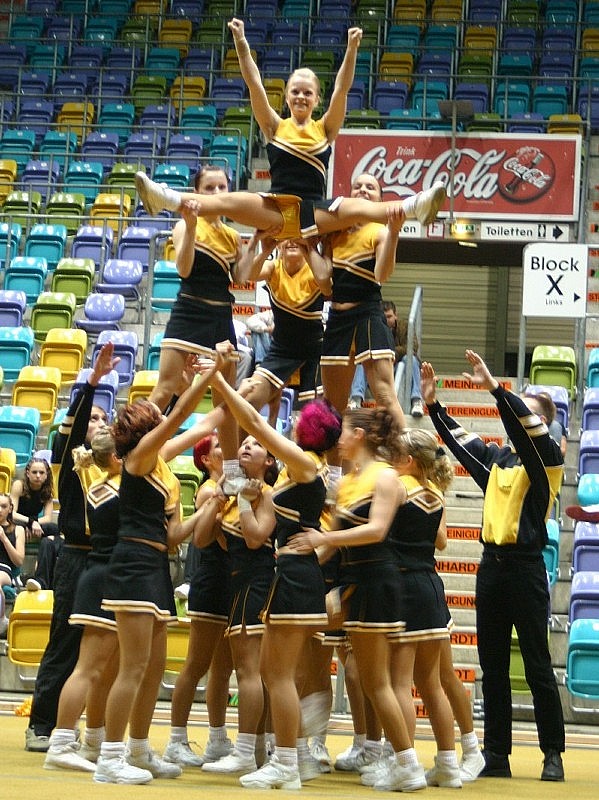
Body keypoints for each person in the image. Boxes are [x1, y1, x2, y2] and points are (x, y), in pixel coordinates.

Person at [134, 21, 446, 236]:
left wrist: (352, 48)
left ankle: (415, 205)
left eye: (308, 92)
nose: (300, 96)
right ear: (286, 96)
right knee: (230, 200)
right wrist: (241, 42)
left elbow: (342, 89)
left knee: (358, 207)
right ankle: (165, 198)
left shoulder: (326, 129)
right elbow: (254, 83)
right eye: (295, 91)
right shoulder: (274, 125)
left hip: (315, 211)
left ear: (316, 99)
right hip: (276, 210)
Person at [421, 350, 565, 782]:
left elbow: (525, 430)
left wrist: (496, 391)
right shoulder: (497, 460)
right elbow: (460, 441)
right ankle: (497, 753)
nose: (519, 418)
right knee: (493, 667)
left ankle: (552, 753)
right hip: (492, 569)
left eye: (528, 412)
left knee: (538, 666)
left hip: (526, 569)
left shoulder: (548, 462)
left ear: (543, 424)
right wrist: (433, 405)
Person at [207, 351, 342, 789]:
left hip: (296, 575)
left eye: (302, 418)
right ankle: (292, 755)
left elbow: (255, 423)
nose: (295, 419)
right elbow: (258, 529)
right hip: (287, 572)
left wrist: (222, 384)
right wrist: (248, 497)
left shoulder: (304, 466)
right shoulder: (288, 474)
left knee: (279, 676)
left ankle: (286, 762)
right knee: (274, 673)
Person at [93, 353, 227, 784]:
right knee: (133, 667)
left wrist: (231, 382)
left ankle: (138, 749)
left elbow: (174, 536)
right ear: (144, 427)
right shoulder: (139, 456)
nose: (162, 415)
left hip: (156, 564)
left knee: (153, 667)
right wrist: (206, 376)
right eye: (155, 415)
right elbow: (184, 415)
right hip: (132, 563)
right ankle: (110, 757)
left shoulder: (161, 462)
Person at [289, 407, 427, 793]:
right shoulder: (347, 482)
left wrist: (324, 539)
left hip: (377, 581)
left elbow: (377, 530)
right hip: (354, 582)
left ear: (360, 435)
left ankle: (406, 764)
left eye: (345, 432)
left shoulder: (385, 476)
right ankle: (309, 730)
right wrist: (293, 561)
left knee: (377, 682)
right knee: (361, 673)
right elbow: (327, 547)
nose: (339, 440)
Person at [25, 346, 113, 753]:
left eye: (103, 419)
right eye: (91, 418)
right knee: (64, 643)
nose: (97, 423)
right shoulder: (70, 458)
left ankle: (76, 726)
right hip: (76, 556)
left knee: (97, 650)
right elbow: (74, 427)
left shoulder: (116, 465)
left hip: (106, 560)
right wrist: (92, 383)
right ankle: (42, 725)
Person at [194, 425, 278, 777]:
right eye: (243, 442)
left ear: (269, 461)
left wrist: (244, 500)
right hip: (236, 583)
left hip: (257, 583)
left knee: (249, 671)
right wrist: (219, 498)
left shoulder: (268, 495)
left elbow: (256, 539)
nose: (246, 446)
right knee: (247, 671)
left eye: (256, 445)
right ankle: (255, 748)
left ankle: (245, 751)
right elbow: (202, 540)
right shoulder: (230, 492)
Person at [386, 429, 462, 789]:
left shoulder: (399, 487)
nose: (390, 459)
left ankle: (406, 765)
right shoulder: (435, 493)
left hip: (404, 587)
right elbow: (441, 541)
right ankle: (448, 765)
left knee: (399, 683)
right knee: (431, 685)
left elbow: (377, 530)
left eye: (396, 453)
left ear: (409, 460)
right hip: (431, 585)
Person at [43, 429, 121, 773]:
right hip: (99, 574)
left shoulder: (103, 479)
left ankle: (93, 740)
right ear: (117, 457)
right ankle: (60, 743)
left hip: (107, 574)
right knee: (87, 668)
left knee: (105, 669)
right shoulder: (109, 486)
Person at [163, 433, 235, 769]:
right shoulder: (209, 490)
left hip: (229, 581)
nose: (226, 449)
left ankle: (218, 739)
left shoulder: (228, 487)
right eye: (219, 447)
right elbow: (222, 540)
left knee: (223, 668)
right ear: (206, 460)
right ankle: (176, 739)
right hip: (211, 580)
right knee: (196, 664)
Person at [235, 236, 329, 414]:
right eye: (287, 238)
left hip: (314, 353)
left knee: (315, 417)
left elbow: (327, 285)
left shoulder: (315, 270)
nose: (292, 242)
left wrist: (310, 248)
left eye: (297, 238)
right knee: (248, 403)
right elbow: (249, 275)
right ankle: (270, 419)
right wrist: (265, 251)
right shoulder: (273, 267)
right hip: (281, 351)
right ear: (279, 244)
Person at [350, 302, 425, 418]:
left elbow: (412, 347)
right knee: (363, 360)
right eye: (384, 317)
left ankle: (416, 401)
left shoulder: (404, 327)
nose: (386, 320)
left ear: (396, 315)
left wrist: (392, 354)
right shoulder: (374, 327)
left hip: (398, 368)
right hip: (378, 370)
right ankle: (356, 399)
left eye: (389, 316)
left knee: (411, 359)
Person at [11, 456, 60, 591]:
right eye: (34, 472)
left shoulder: (47, 490)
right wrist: (30, 522)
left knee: (54, 529)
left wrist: (34, 523)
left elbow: (48, 518)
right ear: (27, 473)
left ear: (46, 475)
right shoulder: (19, 485)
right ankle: (15, 573)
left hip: (33, 524)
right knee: (16, 528)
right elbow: (12, 513)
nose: (38, 476)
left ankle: (44, 573)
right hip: (18, 521)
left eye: (41, 472)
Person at [0, 493, 25, 594]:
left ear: (10, 509)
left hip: (4, 569)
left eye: (4, 506)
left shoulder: (18, 529)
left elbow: (19, 561)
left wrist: (4, 538)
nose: (0, 510)